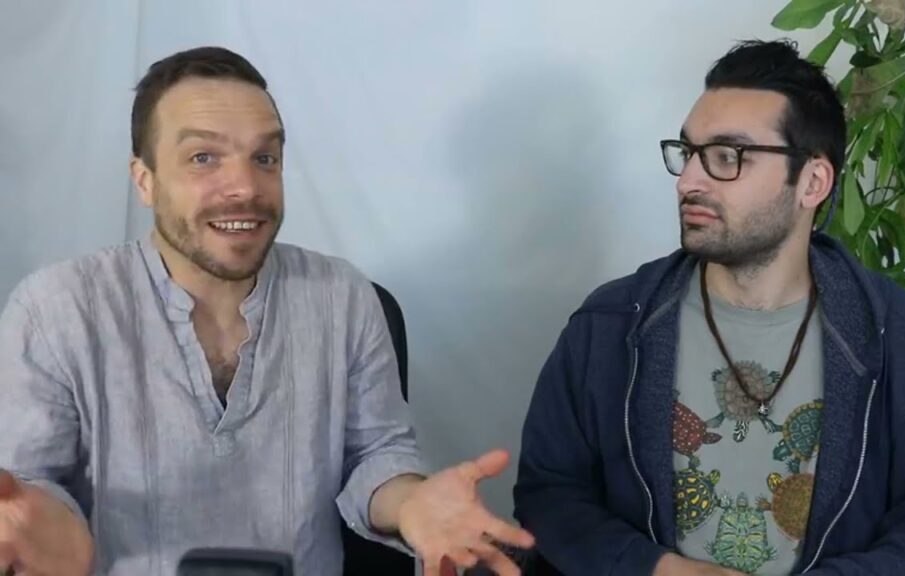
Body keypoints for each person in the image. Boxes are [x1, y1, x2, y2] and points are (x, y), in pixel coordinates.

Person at [0, 46, 532, 576]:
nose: (246, 188)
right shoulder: (55, 309)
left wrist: (412, 502)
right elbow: (29, 493)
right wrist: (47, 528)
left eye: (265, 158)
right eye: (203, 158)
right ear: (145, 180)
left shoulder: (340, 295)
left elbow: (377, 455)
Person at [514, 40, 905, 575]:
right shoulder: (612, 325)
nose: (689, 181)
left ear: (812, 182)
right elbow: (549, 494)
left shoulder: (894, 338)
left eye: (727, 157)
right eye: (688, 153)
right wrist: (658, 569)